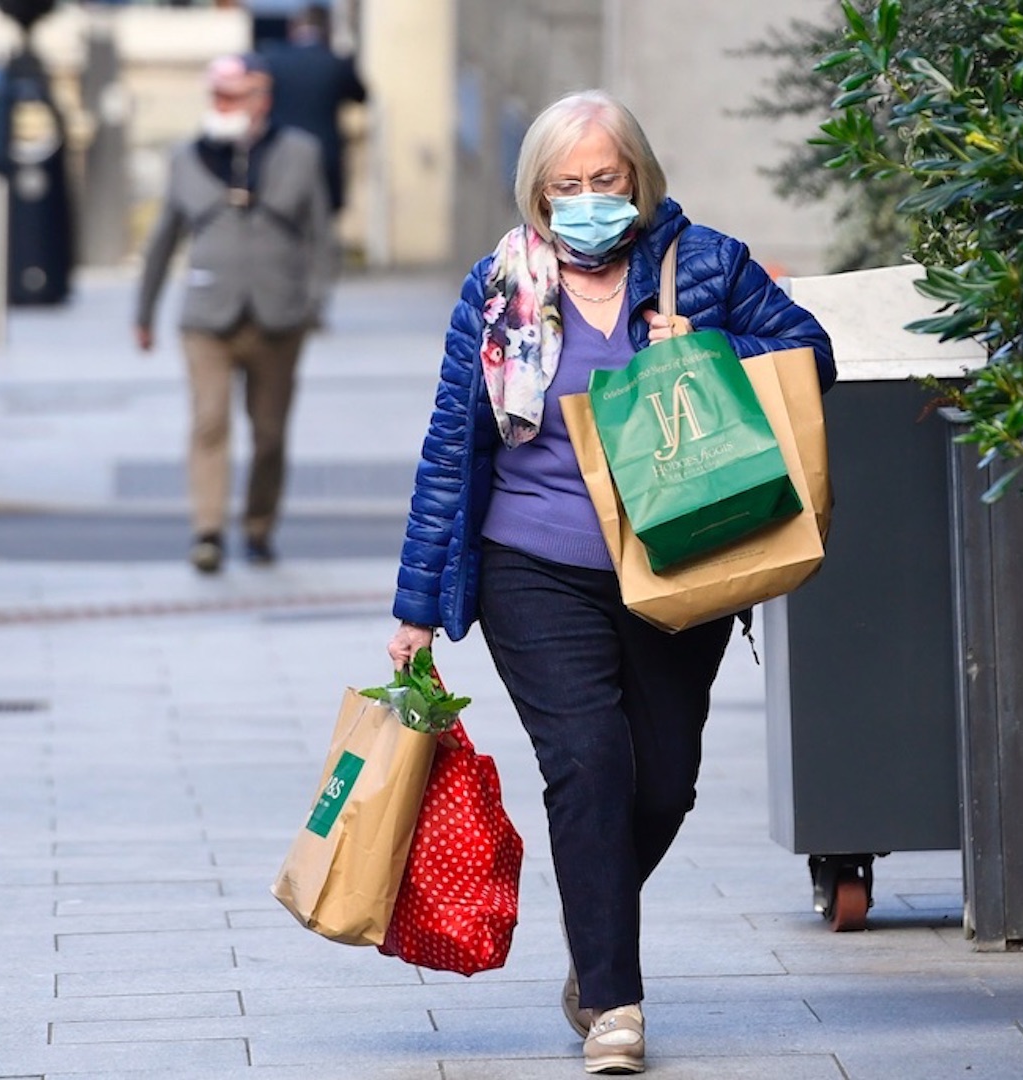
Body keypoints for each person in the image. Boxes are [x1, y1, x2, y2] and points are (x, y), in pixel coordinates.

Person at [385, 90, 833, 1075]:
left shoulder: (705, 264)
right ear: (538, 193)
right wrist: (416, 605)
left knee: (662, 782)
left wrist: (715, 350)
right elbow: (451, 446)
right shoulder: (499, 285)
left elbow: (814, 353)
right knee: (588, 762)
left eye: (606, 181)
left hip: (681, 560)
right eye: (567, 186)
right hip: (531, 564)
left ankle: (594, 939)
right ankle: (616, 1004)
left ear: (639, 177)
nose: (588, 200)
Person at [134, 53, 329, 574]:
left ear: (259, 100)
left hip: (278, 316)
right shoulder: (188, 157)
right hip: (206, 315)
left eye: (231, 95)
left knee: (269, 434)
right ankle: (208, 532)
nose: (219, 105)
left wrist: (316, 303)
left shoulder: (299, 153)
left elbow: (319, 235)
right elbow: (161, 239)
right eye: (215, 95)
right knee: (209, 421)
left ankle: (259, 527)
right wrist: (144, 312)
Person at [260, 3, 366, 217]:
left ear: (294, 28)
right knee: (322, 223)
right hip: (324, 156)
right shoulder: (335, 63)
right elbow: (361, 96)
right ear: (327, 30)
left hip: (280, 155)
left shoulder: (272, 60)